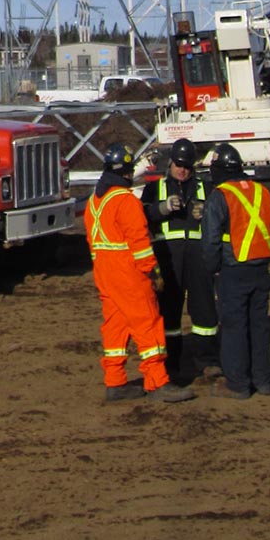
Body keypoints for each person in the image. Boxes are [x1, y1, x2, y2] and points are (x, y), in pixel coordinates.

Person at [85, 141, 194, 402]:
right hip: (127, 272)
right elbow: (140, 242)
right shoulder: (126, 201)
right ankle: (157, 382)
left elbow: (92, 241)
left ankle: (115, 381)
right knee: (148, 322)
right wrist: (153, 272)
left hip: (104, 271)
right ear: (126, 172)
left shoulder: (94, 202)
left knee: (115, 325)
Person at [201, 142, 270, 399]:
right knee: (259, 326)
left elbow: (210, 241)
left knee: (233, 328)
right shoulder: (262, 192)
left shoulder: (220, 196)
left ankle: (238, 385)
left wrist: (212, 270)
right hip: (260, 269)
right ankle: (264, 382)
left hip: (232, 272)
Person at [140, 136, 220, 381]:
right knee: (169, 312)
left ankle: (206, 361)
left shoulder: (205, 187)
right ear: (170, 163)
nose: (182, 170)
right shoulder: (155, 188)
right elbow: (142, 215)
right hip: (169, 258)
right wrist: (161, 209)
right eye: (178, 165)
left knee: (204, 310)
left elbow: (220, 216)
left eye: (186, 166)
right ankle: (171, 363)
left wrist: (206, 213)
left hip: (198, 256)